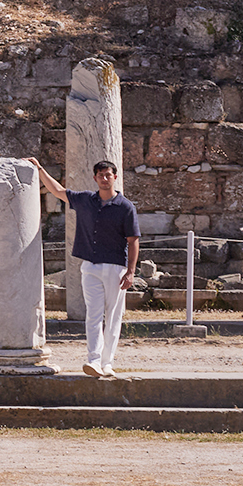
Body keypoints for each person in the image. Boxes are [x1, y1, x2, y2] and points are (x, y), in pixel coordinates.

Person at [30, 157, 140, 378]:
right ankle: (94, 360)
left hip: (116, 267)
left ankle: (108, 363)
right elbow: (58, 191)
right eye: (101, 175)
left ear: (115, 177)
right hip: (90, 266)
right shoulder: (85, 200)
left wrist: (131, 271)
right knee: (93, 315)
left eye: (108, 175)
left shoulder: (126, 207)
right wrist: (40, 168)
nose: (105, 178)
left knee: (113, 316)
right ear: (95, 178)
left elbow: (133, 240)